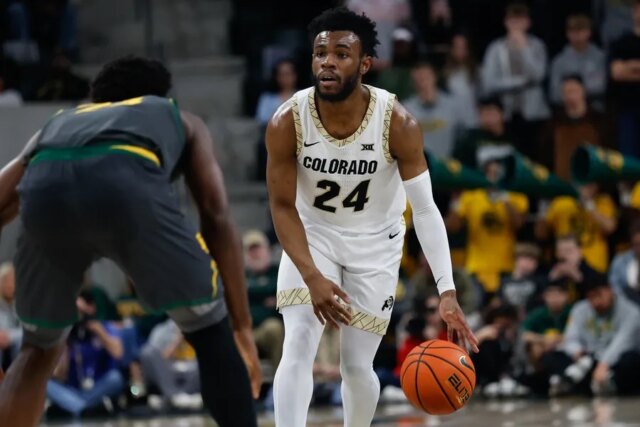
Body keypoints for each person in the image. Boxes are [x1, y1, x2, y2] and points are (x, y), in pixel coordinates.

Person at [0, 56, 261, 427]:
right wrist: (241, 327)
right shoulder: (177, 116)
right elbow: (215, 214)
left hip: (45, 195)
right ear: (159, 96)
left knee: (38, 348)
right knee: (208, 328)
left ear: (97, 99)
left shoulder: (58, 123)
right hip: (127, 188)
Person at [265, 7, 478, 427]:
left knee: (357, 365)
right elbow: (282, 206)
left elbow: (426, 209)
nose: (327, 62)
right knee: (299, 341)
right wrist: (311, 276)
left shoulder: (398, 122)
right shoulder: (287, 120)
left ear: (364, 64)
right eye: (320, 53)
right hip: (313, 234)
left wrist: (447, 290)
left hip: (377, 244)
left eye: (341, 54)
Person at [548, 14, 606, 107]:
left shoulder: (600, 57)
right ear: (567, 34)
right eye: (573, 31)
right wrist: (573, 96)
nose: (577, 35)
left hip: (597, 107)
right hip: (568, 109)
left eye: (581, 30)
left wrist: (577, 92)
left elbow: (604, 86)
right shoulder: (559, 62)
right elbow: (554, 94)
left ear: (589, 32)